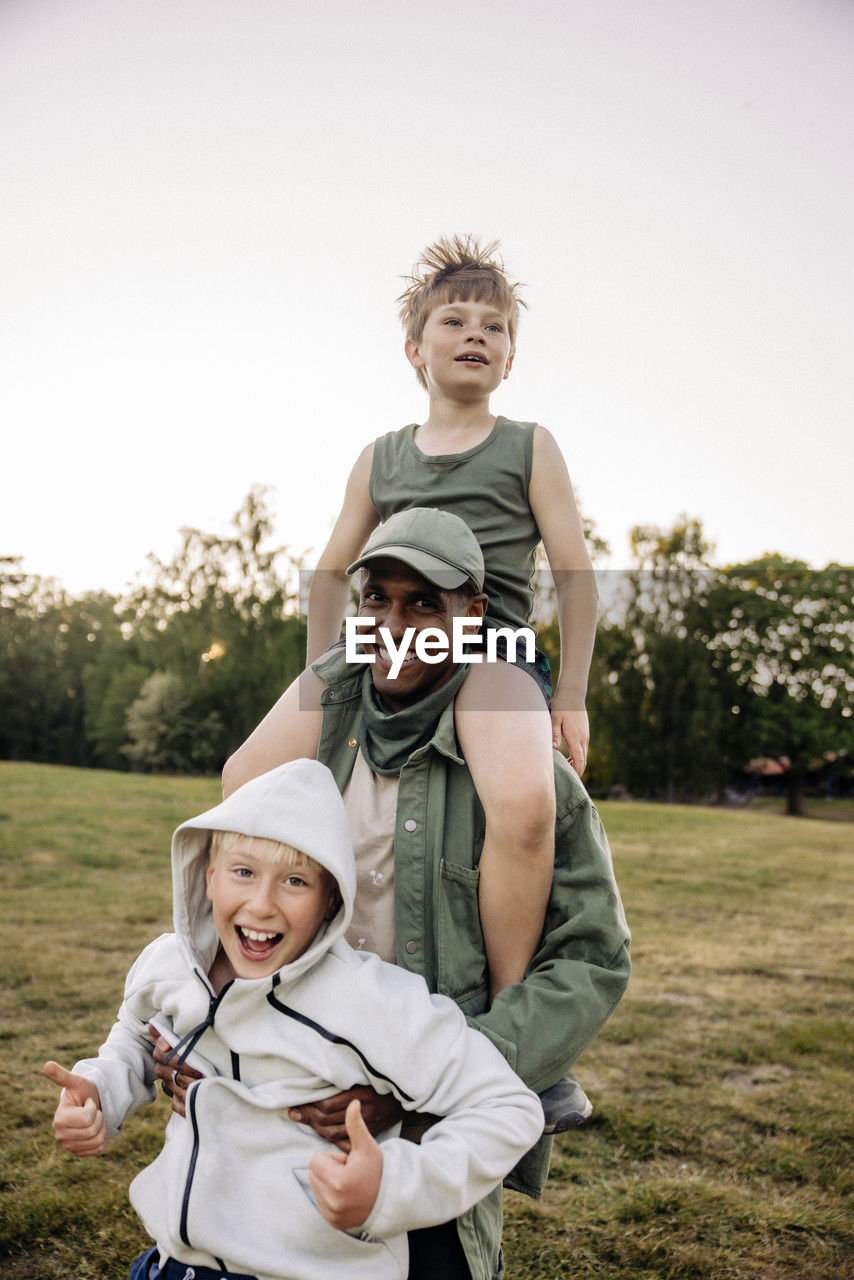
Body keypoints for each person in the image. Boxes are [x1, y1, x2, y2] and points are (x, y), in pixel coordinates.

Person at [214, 508, 630, 1280]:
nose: (395, 626)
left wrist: (419, 1089)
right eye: (377, 599)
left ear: (472, 615)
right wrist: (193, 1041)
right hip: (289, 1114)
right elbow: (235, 888)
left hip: (433, 1148)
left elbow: (593, 960)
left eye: (424, 604)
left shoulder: (529, 779)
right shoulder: (313, 748)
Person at [44, 758, 544, 1280]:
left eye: (295, 881)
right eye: (243, 872)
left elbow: (506, 1106)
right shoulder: (168, 965)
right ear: (209, 876)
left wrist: (391, 1187)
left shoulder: (366, 999)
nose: (261, 905)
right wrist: (101, 1090)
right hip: (177, 1264)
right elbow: (133, 1038)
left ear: (331, 900)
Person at [306, 234, 598, 1000]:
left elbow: (575, 577)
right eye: (455, 321)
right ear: (414, 349)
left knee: (527, 810)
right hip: (383, 644)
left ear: (511, 359)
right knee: (248, 777)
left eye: (495, 327)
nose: (477, 334)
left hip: (488, 647)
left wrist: (569, 693)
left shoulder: (529, 447)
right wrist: (322, 676)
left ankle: (507, 1022)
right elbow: (331, 574)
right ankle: (264, 988)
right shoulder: (380, 457)